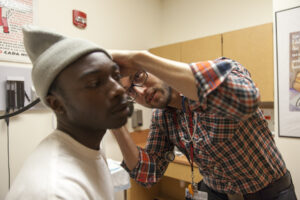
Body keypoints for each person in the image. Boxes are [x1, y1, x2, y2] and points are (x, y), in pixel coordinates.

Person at [109, 50, 297, 200]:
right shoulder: (162, 117)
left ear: (157, 67)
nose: (141, 91)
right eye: (130, 92)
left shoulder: (221, 71)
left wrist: (139, 57)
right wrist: (114, 122)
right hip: (216, 194)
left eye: (139, 77)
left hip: (270, 193)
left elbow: (246, 100)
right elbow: (148, 175)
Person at [5, 25, 129, 200]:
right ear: (57, 104)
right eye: (94, 83)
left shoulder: (90, 145)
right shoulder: (56, 191)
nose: (118, 90)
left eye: (115, 76)